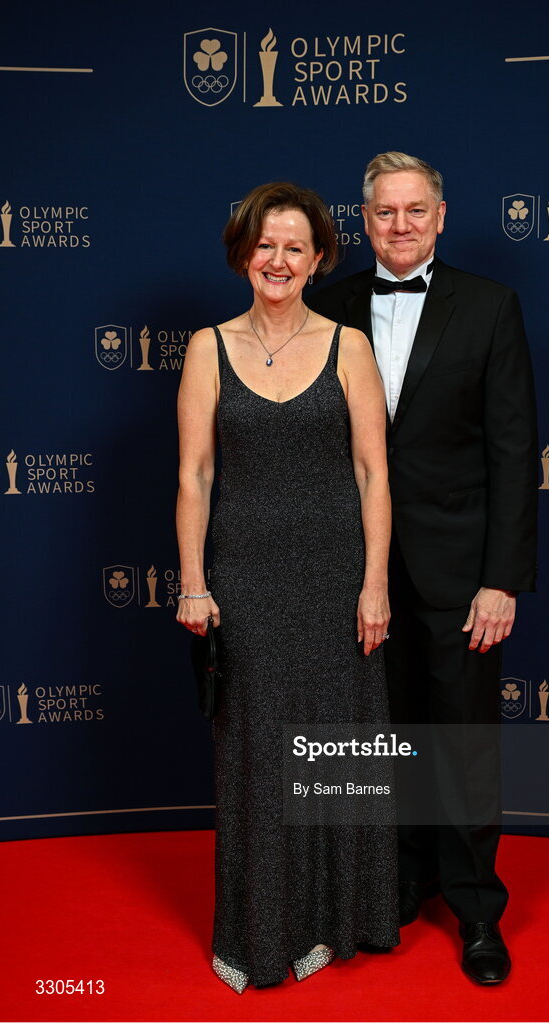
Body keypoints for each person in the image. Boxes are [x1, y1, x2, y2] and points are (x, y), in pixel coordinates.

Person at [309, 152, 538, 985]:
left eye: (415, 210)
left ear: (441, 216)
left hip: (460, 574)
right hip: (359, 574)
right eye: (383, 213)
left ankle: (477, 907)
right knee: (387, 734)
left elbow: (514, 452)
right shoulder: (325, 308)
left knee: (464, 742)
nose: (399, 226)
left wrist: (501, 579)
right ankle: (404, 877)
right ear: (362, 221)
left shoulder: (490, 307)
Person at [175, 182, 399, 993]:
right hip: (245, 573)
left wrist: (375, 584)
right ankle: (256, 932)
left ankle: (335, 921)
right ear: (244, 252)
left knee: (332, 745)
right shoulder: (208, 346)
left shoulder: (348, 347)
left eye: (295, 247)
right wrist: (194, 583)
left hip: (336, 572)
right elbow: (195, 474)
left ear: (318, 259)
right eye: (265, 245)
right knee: (256, 753)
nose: (279, 260)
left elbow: (375, 473)